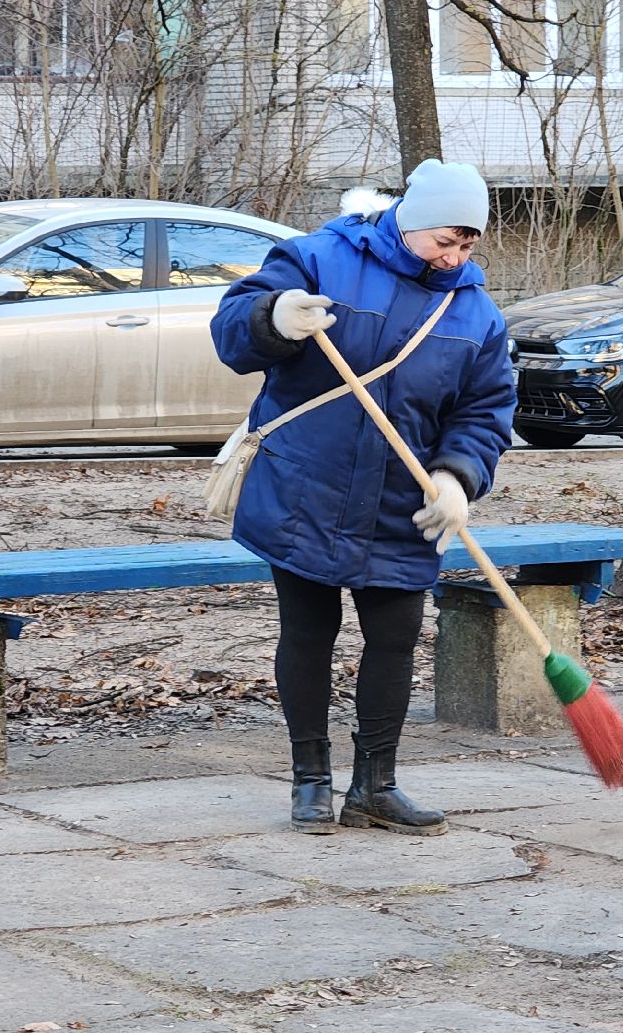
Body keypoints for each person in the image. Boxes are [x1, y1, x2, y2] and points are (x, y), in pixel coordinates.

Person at [210, 159, 515, 836]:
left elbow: (485, 409)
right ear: (409, 221)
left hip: (401, 501)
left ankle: (375, 785)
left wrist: (457, 477)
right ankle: (311, 783)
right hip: (306, 487)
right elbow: (232, 331)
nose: (454, 257)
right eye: (444, 240)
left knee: (396, 638)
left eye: (467, 245)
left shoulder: (476, 314)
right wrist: (272, 316)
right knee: (308, 632)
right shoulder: (320, 260)